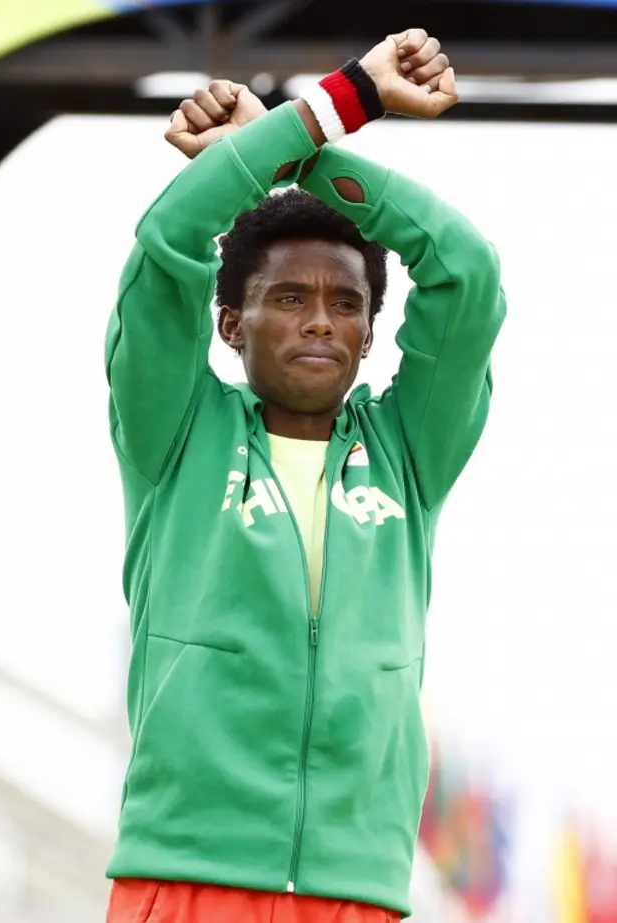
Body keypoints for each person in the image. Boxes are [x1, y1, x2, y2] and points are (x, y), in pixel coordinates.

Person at [104, 27, 506, 923]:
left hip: (354, 887)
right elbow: (171, 232)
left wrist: (302, 158)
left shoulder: (410, 451)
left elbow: (467, 272)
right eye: (288, 298)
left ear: (371, 331)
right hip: (185, 873)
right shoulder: (173, 430)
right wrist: (341, 98)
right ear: (230, 324)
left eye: (346, 303)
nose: (321, 322)